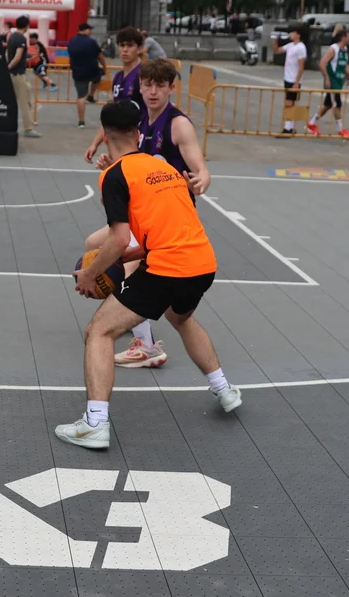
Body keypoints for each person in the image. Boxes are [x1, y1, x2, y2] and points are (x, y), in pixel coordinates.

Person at [55, 98, 240, 450]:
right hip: (202, 263)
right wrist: (135, 254)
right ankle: (224, 389)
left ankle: (95, 423)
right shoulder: (164, 168)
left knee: (99, 332)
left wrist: (91, 273)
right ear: (138, 133)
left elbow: (117, 238)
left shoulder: (114, 175)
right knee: (180, 318)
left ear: (105, 135)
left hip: (167, 268)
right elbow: (168, 230)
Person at [88, 57, 210, 369]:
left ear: (171, 88)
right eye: (148, 85)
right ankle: (132, 316)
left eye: (160, 86)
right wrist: (112, 164)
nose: (153, 91)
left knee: (130, 265)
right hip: (145, 212)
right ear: (140, 87)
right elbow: (132, 163)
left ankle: (145, 344)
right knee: (93, 244)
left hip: (170, 216)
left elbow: (201, 167)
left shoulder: (178, 124)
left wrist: (201, 180)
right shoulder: (138, 120)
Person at [83, 27, 144, 165]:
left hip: (138, 140)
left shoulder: (143, 75)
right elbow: (112, 114)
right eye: (122, 45)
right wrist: (95, 144)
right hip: (120, 141)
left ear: (139, 48)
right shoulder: (118, 77)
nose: (125, 50)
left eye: (130, 45)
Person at [308, 27, 349, 137]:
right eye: (348, 36)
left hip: (339, 81)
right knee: (337, 104)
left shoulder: (345, 50)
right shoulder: (333, 49)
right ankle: (340, 129)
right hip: (332, 81)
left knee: (328, 105)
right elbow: (322, 63)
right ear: (343, 37)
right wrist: (327, 78)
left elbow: (345, 66)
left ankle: (311, 123)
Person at [68, 23, 106, 128]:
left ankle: (81, 122)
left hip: (77, 72)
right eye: (90, 30)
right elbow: (100, 56)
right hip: (92, 70)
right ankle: (91, 95)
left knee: (81, 97)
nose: (91, 32)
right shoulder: (91, 42)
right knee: (98, 76)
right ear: (85, 30)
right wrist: (105, 66)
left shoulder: (72, 41)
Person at [6, 16, 38, 138]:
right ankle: (28, 128)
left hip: (12, 75)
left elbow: (8, 54)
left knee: (12, 101)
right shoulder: (21, 38)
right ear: (27, 26)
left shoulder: (12, 36)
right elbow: (18, 56)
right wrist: (9, 67)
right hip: (18, 74)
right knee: (25, 102)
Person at [275, 23, 307, 136]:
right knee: (289, 103)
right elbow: (277, 51)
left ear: (298, 35)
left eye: (293, 32)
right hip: (287, 78)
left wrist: (297, 82)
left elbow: (301, 66)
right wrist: (275, 39)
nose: (290, 34)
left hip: (294, 79)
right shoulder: (290, 45)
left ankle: (287, 128)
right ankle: (290, 126)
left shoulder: (301, 47)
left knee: (289, 103)